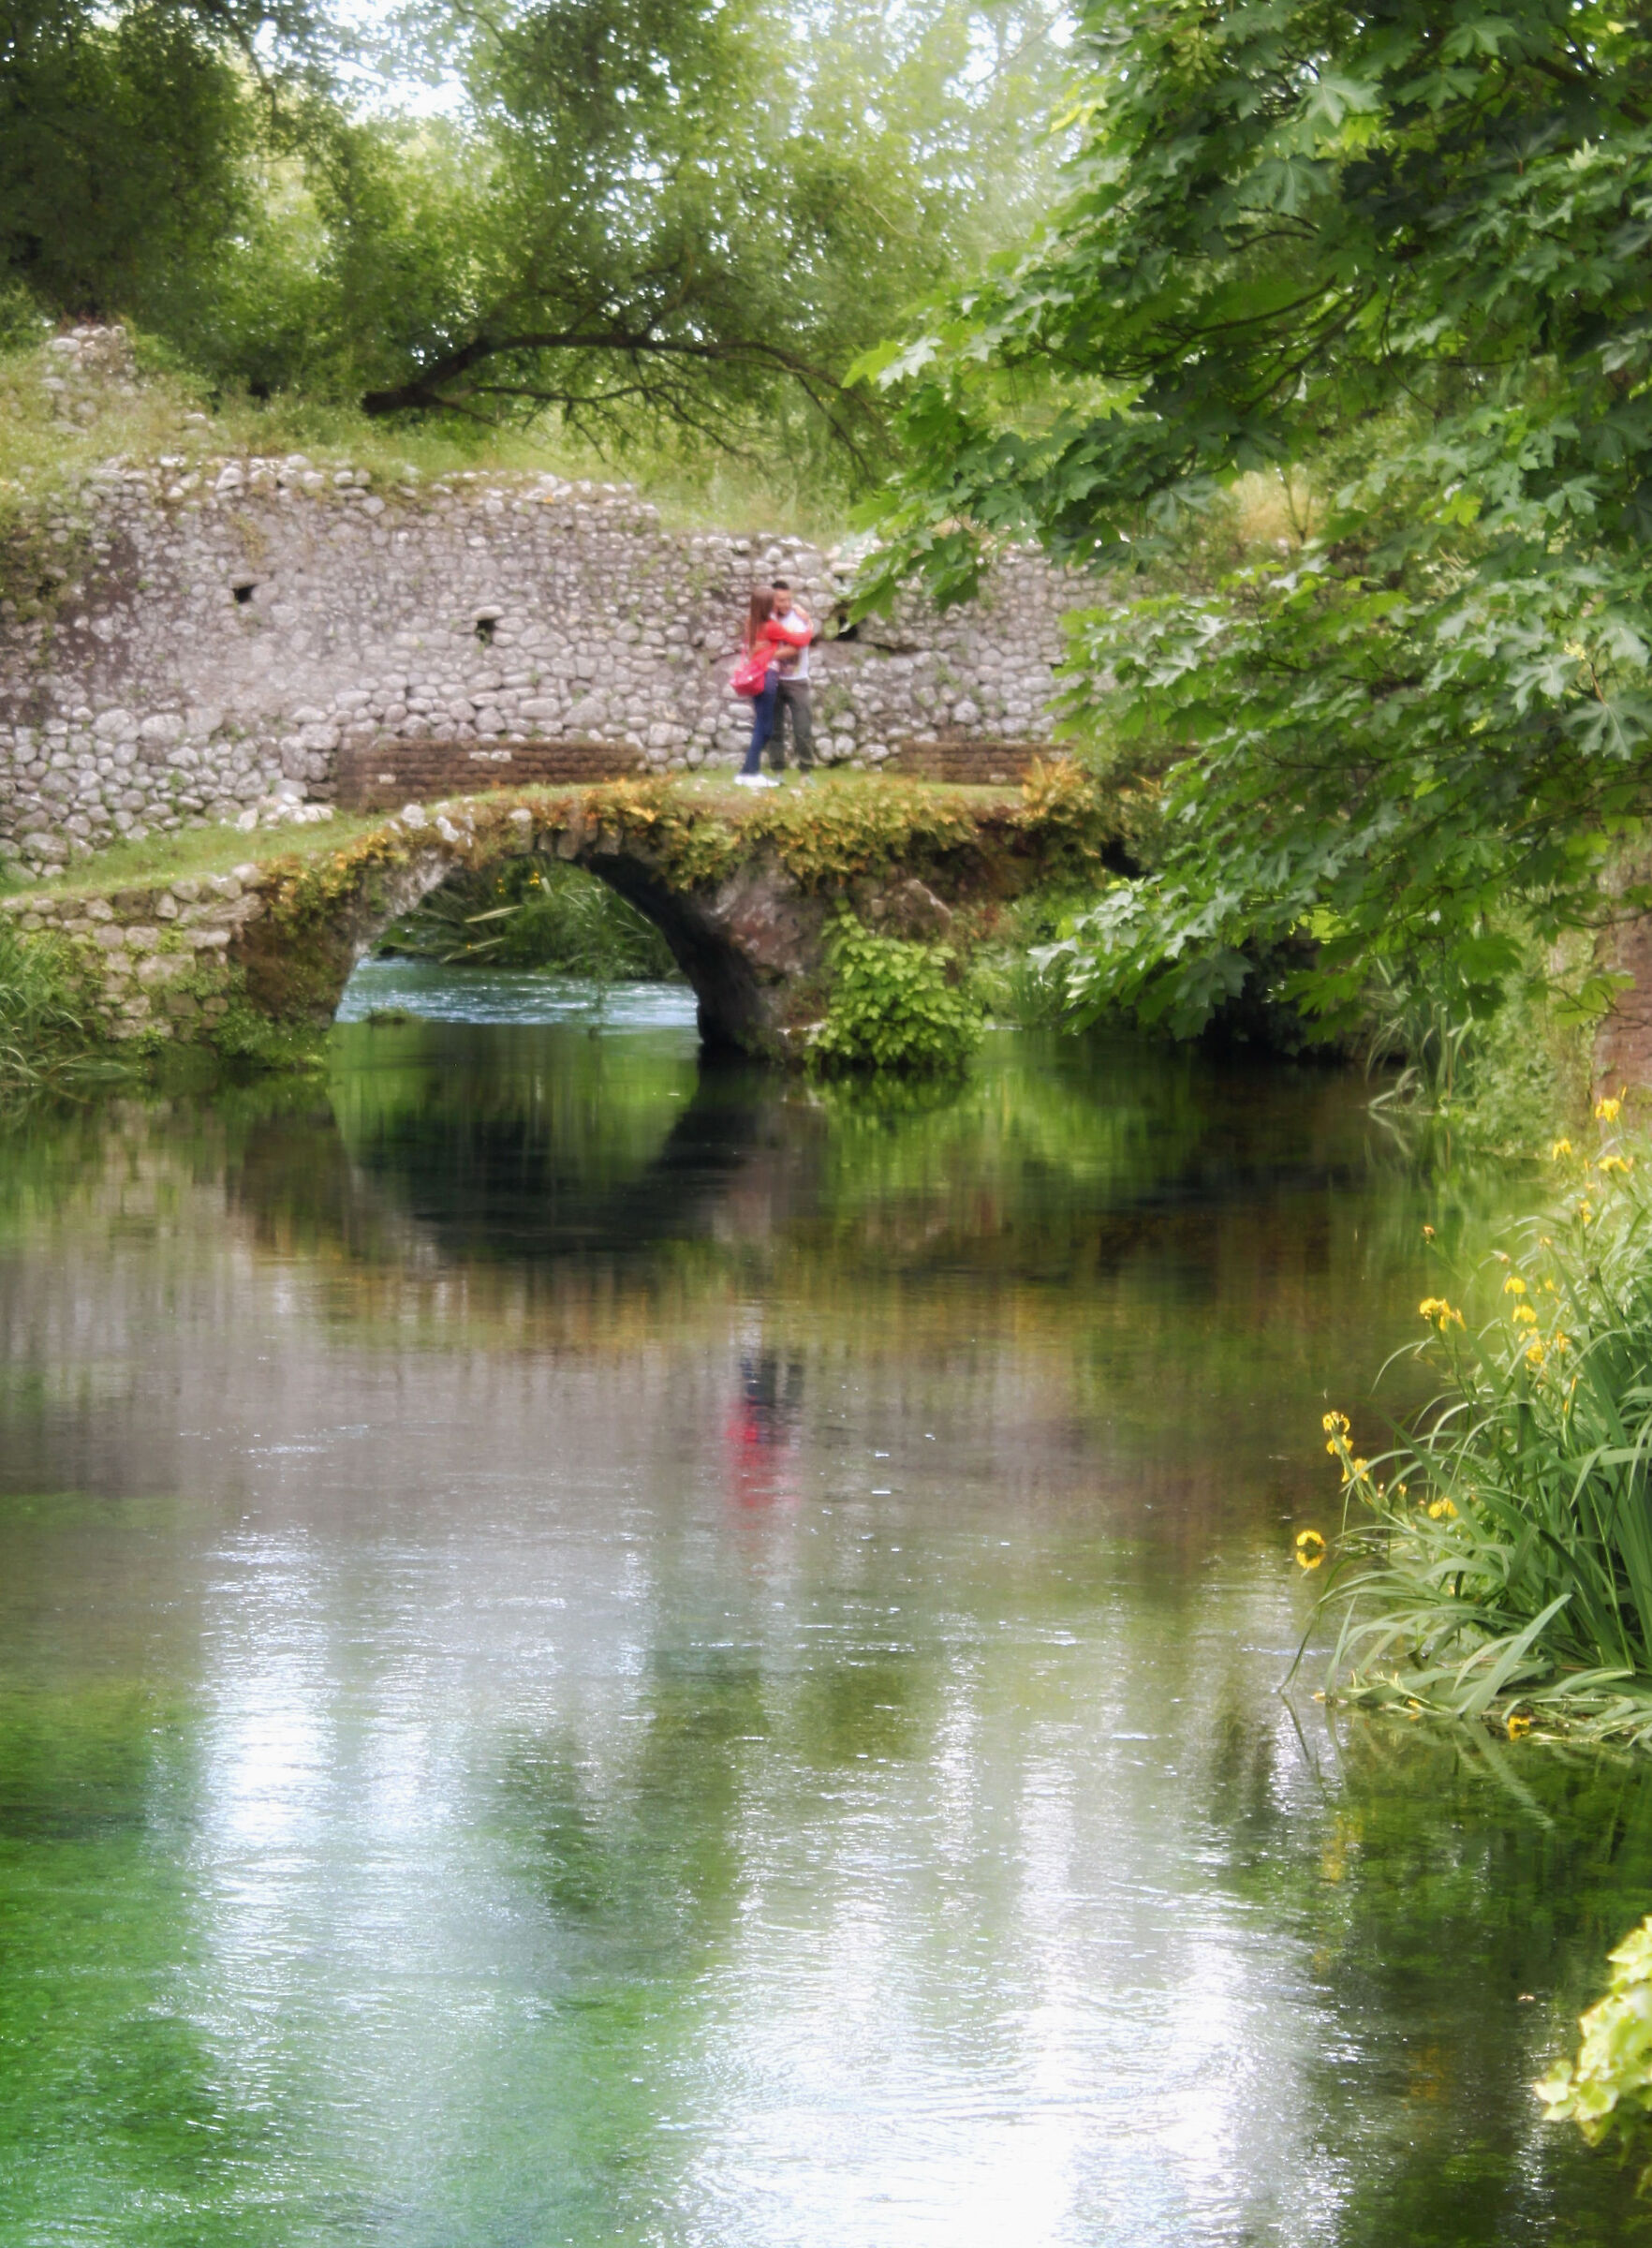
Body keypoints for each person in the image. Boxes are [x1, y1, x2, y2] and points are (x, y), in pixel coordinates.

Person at [735, 587, 810, 788]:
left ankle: (747, 771)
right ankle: (751, 773)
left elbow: (752, 650)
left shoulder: (751, 622)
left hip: (757, 675)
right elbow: (802, 640)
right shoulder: (771, 627)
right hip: (767, 677)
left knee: (763, 725)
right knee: (765, 728)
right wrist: (809, 623)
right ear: (768, 605)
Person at [768, 581, 816, 774]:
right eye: (781, 600)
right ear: (773, 600)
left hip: (798, 681)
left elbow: (799, 645)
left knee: (803, 728)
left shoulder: (799, 617)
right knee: (775, 729)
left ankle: (806, 771)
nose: (786, 604)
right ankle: (777, 771)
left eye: (789, 599)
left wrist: (768, 655)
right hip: (774, 679)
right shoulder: (767, 618)